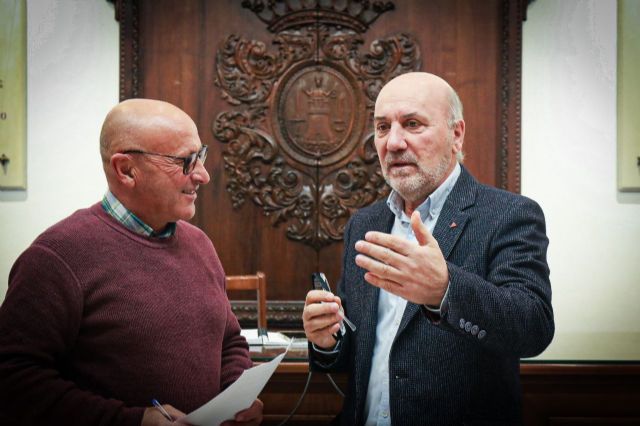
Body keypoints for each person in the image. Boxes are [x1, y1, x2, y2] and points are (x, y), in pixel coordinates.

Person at [302, 72, 554, 425]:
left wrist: (445, 290)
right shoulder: (365, 224)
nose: (393, 142)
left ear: (456, 134)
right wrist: (326, 340)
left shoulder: (509, 215)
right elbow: (359, 353)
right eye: (382, 127)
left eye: (413, 124)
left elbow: (533, 328)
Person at [0, 99, 263, 426]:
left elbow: (230, 341)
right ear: (126, 170)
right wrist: (134, 421)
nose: (203, 175)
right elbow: (14, 380)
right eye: (186, 161)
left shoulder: (201, 245)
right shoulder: (57, 256)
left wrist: (239, 394)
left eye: (201, 156)